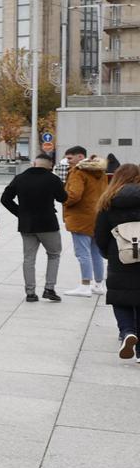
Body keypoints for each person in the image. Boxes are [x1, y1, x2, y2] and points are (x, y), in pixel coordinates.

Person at [1, 154, 68, 303]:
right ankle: (49, 289)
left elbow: (5, 199)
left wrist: (19, 213)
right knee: (54, 254)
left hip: (27, 224)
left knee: (29, 258)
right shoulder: (53, 179)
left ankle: (30, 292)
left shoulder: (20, 178)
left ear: (34, 163)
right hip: (48, 224)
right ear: (50, 166)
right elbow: (63, 198)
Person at [92, 164, 140, 360]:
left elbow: (100, 235)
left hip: (120, 256)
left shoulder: (108, 201)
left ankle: (127, 331)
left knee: (120, 298)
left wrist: (107, 253)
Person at [62, 147, 110, 297]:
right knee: (96, 252)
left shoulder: (78, 172)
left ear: (80, 156)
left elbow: (74, 195)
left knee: (82, 253)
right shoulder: (100, 172)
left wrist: (63, 201)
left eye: (70, 158)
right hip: (97, 216)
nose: (67, 161)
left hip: (80, 218)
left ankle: (85, 285)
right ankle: (99, 284)